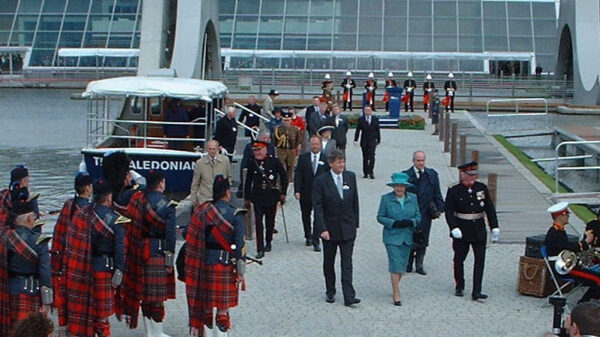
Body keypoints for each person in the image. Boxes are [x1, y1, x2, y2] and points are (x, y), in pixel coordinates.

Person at [185, 175, 246, 337]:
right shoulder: (236, 214)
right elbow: (239, 245)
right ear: (227, 192)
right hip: (225, 264)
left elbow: (188, 234)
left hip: (204, 264)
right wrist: (241, 271)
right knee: (222, 308)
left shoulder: (202, 211)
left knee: (206, 306)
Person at [63, 178, 125, 337]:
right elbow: (120, 249)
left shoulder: (81, 214)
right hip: (105, 271)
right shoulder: (116, 219)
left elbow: (71, 243)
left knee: (85, 312)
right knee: (102, 317)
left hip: (82, 270)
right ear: (109, 197)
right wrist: (119, 272)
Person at [123, 170, 176, 336]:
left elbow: (128, 225)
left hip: (139, 252)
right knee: (157, 299)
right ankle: (158, 333)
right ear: (161, 183)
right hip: (158, 253)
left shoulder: (138, 199)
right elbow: (171, 237)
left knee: (145, 295)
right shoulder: (167, 205)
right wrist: (169, 261)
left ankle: (149, 332)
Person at [0, 188, 52, 336]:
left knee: (13, 331)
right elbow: (45, 273)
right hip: (32, 292)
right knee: (31, 332)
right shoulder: (39, 241)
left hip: (9, 291)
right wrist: (47, 302)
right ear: (30, 219)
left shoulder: (5, 237)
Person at [445, 161, 499, 301]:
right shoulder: (454, 190)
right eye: (469, 176)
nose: (472, 179)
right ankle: (460, 284)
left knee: (480, 260)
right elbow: (449, 211)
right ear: (462, 175)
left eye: (474, 175)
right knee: (459, 259)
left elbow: (489, 208)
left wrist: (494, 227)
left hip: (479, 229)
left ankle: (477, 290)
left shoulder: (481, 188)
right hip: (462, 229)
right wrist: (453, 227)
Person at [313, 150, 360, 307]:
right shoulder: (321, 181)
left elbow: (355, 201)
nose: (342, 165)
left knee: (347, 262)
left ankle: (349, 295)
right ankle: (330, 290)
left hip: (347, 227)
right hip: (330, 229)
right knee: (329, 261)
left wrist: (355, 223)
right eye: (339, 162)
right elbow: (318, 208)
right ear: (331, 163)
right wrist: (322, 229)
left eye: (343, 162)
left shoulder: (350, 177)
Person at [51, 172, 92, 332]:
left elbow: (58, 233)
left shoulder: (68, 205)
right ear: (88, 188)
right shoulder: (88, 210)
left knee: (69, 298)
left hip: (66, 260)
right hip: (82, 262)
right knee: (82, 301)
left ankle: (68, 328)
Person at [377, 172, 421, 306]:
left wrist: (411, 221)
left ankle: (395, 285)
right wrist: (393, 223)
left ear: (406, 187)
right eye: (397, 186)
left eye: (402, 186)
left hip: (407, 236)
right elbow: (380, 216)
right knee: (395, 265)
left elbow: (418, 216)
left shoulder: (413, 198)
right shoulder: (386, 199)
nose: (399, 189)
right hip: (392, 237)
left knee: (402, 266)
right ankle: (396, 293)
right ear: (393, 187)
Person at [545, 202, 599, 303]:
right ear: (560, 216)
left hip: (568, 264)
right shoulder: (555, 233)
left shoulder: (559, 231)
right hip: (562, 268)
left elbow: (568, 246)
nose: (568, 216)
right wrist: (586, 241)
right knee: (597, 278)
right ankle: (584, 303)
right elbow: (571, 247)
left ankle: (588, 301)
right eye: (566, 214)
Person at [402, 151, 444, 275]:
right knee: (410, 236)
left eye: (422, 160)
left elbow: (437, 192)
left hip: (426, 211)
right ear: (413, 161)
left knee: (424, 238)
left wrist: (440, 207)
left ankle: (419, 263)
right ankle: (408, 262)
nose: (421, 163)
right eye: (418, 160)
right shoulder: (406, 175)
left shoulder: (432, 174)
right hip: (412, 212)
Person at [244, 141, 287, 259]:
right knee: (258, 222)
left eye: (259, 150)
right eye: (255, 151)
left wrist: (283, 193)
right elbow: (248, 181)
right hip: (257, 195)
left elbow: (283, 176)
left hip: (271, 195)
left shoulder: (274, 161)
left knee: (270, 221)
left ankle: (268, 241)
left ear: (265, 150)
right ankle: (260, 248)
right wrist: (247, 198)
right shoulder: (252, 162)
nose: (257, 153)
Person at [294, 135, 329, 252]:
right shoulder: (303, 158)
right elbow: (298, 175)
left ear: (320, 145)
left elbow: (329, 177)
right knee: (306, 215)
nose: (314, 146)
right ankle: (307, 235)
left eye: (317, 144)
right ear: (310, 145)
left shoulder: (325, 158)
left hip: (320, 194)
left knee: (318, 216)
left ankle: (316, 239)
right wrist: (297, 190)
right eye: (312, 144)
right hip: (305, 192)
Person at [189, 140, 232, 207]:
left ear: (217, 149)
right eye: (210, 149)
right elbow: (195, 183)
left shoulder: (225, 161)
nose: (212, 151)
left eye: (214, 149)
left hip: (220, 198)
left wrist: (227, 194)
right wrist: (194, 198)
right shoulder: (200, 163)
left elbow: (229, 178)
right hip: (205, 199)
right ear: (207, 149)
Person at [238, 130, 276, 197]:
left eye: (268, 138)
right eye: (264, 138)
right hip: (254, 173)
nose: (266, 140)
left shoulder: (271, 147)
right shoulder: (250, 147)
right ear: (259, 137)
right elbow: (245, 162)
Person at [354, 106, 381, 179]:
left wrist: (379, 139)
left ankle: (371, 172)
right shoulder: (361, 119)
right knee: (365, 157)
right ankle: (365, 172)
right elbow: (358, 130)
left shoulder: (375, 119)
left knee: (372, 156)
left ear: (371, 111)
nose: (367, 112)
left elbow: (377, 129)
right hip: (364, 140)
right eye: (366, 110)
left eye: (369, 110)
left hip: (372, 140)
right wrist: (356, 139)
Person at [274, 111, 302, 182]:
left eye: (288, 120)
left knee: (290, 167)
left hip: (291, 150)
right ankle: (281, 181)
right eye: (285, 120)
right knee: (281, 166)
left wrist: (295, 148)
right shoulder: (278, 129)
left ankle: (289, 181)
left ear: (291, 120)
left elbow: (298, 140)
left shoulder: (295, 130)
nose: (286, 122)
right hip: (281, 150)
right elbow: (275, 141)